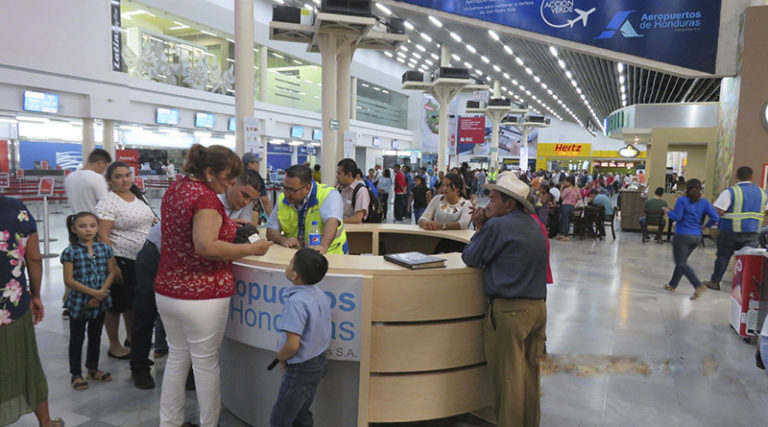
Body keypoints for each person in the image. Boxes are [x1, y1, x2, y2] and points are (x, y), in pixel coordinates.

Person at [155, 144, 274, 427]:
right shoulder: (206, 199)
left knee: (177, 360)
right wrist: (252, 250)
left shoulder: (176, 189)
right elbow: (206, 246)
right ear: (209, 172)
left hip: (168, 290)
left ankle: (169, 422)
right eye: (227, 179)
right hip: (202, 295)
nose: (229, 185)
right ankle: (209, 423)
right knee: (206, 365)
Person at [130, 169, 265, 389]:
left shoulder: (238, 203)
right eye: (244, 195)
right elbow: (207, 245)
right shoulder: (209, 200)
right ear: (230, 183)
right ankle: (139, 368)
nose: (245, 202)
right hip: (157, 253)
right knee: (146, 312)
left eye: (251, 199)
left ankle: (190, 373)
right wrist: (248, 248)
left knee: (190, 328)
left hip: (186, 264)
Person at [461, 172, 547, 426]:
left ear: (509, 204)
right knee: (530, 377)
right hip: (538, 309)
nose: (488, 204)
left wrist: (480, 227)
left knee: (507, 381)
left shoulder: (498, 226)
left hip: (509, 312)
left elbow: (471, 257)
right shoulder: (533, 225)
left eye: (495, 199)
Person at [0, 196, 64, 427]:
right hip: (11, 306)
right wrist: (35, 294)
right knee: (27, 363)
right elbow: (34, 258)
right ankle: (46, 422)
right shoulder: (16, 209)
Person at [96, 162, 157, 360]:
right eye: (118, 176)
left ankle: (132, 338)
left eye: (127, 175)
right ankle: (114, 345)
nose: (124, 180)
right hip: (120, 258)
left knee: (133, 303)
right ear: (109, 181)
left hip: (142, 259)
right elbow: (103, 235)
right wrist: (111, 264)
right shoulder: (108, 202)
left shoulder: (138, 197)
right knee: (116, 304)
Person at [269, 249, 331, 427]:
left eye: (290, 262)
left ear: (295, 275)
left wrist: (280, 358)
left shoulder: (295, 303)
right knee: (301, 412)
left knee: (281, 417)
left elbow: (292, 345)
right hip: (317, 362)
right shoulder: (319, 294)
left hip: (300, 369)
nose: (287, 265)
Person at [61, 212, 118, 391]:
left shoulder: (105, 248)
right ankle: (76, 374)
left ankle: (92, 368)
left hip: (99, 301)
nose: (88, 230)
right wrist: (93, 293)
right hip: (80, 301)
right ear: (73, 228)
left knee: (96, 335)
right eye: (82, 226)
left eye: (92, 225)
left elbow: (112, 272)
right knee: (77, 338)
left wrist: (100, 293)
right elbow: (69, 280)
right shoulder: (70, 252)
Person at [703, 166, 768, 291]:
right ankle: (744, 286)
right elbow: (766, 210)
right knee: (747, 259)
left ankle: (715, 281)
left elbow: (720, 210)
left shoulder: (731, 191)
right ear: (751, 177)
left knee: (723, 257)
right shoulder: (762, 193)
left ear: (736, 177)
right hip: (752, 232)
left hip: (729, 231)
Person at [267, 164, 348, 255]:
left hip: (330, 254)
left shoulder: (329, 195)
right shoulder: (282, 199)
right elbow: (270, 231)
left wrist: (323, 246)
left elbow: (331, 222)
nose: (286, 194)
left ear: (307, 188)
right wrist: (283, 240)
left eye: (291, 190)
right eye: (284, 187)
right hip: (297, 255)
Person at [663, 179, 719, 300]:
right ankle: (672, 285)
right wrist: (706, 226)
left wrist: (668, 211)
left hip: (682, 235)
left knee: (681, 263)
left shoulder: (681, 200)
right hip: (696, 236)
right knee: (682, 262)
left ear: (686, 188)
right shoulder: (704, 202)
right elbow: (715, 217)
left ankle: (698, 285)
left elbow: (677, 217)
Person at [64, 148, 111, 214]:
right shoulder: (97, 178)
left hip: (76, 220)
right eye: (106, 166)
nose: (105, 170)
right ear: (100, 163)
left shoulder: (69, 177)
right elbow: (105, 205)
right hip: (93, 221)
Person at [336, 159, 370, 224]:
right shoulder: (340, 188)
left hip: (353, 231)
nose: (337, 177)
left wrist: (336, 222)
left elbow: (357, 219)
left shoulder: (361, 191)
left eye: (339, 174)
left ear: (349, 175)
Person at [242, 153, 274, 221]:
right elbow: (264, 200)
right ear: (250, 164)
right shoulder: (256, 179)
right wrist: (272, 220)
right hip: (250, 215)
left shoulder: (238, 175)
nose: (258, 165)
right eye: (257, 163)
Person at [556, 176, 581, 241]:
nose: (564, 183)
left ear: (569, 182)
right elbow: (579, 197)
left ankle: (564, 235)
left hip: (566, 205)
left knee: (564, 221)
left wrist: (561, 189)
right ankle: (564, 234)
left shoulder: (567, 189)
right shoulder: (577, 189)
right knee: (567, 221)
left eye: (565, 181)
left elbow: (561, 197)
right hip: (572, 206)